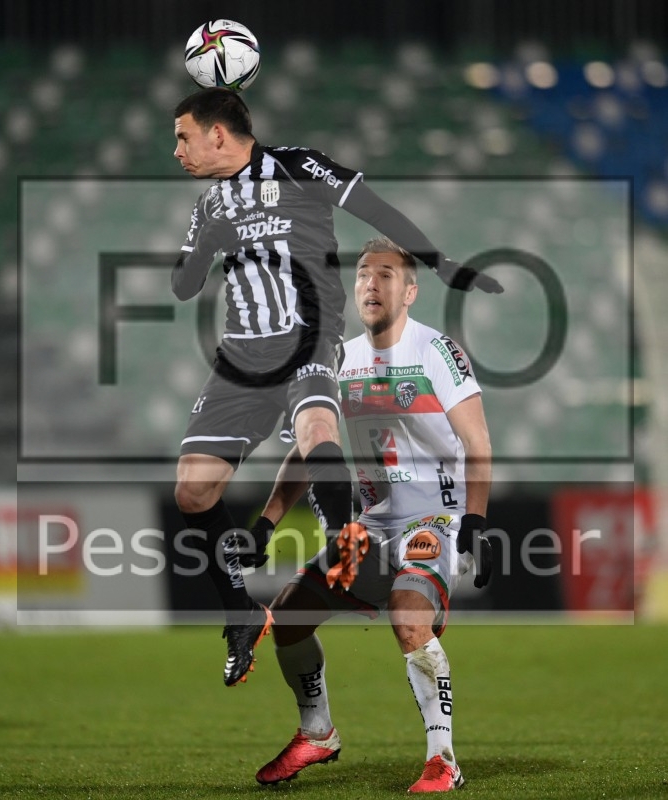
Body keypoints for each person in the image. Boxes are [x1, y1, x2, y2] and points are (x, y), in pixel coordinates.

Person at [170, 87, 501, 688]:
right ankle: (240, 611)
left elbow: (375, 210)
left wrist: (439, 261)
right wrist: (208, 238)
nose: (178, 151)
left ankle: (345, 542)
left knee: (318, 428)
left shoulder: (299, 165)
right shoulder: (210, 203)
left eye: (183, 137)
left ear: (217, 134)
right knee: (192, 491)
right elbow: (183, 285)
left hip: (309, 337)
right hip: (241, 357)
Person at [252, 237, 494, 792]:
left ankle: (443, 760)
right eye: (363, 273)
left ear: (409, 292)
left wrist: (476, 522)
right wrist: (267, 521)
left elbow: (477, 441)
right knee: (288, 615)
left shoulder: (437, 350)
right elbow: (310, 448)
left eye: (386, 275)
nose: (370, 283)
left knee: (407, 616)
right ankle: (317, 733)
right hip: (371, 526)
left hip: (435, 519)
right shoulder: (338, 361)